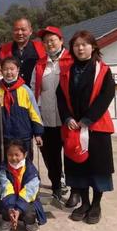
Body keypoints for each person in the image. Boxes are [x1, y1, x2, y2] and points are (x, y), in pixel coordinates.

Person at [56, 30, 115, 224]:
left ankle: (96, 205)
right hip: (73, 128)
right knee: (77, 167)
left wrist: (88, 120)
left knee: (97, 168)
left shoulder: (103, 70)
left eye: (84, 44)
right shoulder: (67, 71)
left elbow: (106, 96)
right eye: (76, 45)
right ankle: (85, 203)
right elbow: (61, 97)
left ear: (93, 46)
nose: (80, 48)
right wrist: (66, 118)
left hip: (96, 127)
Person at [31, 26, 73, 200]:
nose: (49, 44)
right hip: (46, 118)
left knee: (71, 154)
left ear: (61, 41)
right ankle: (56, 185)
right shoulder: (40, 64)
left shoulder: (72, 60)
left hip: (68, 119)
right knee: (50, 155)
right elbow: (34, 88)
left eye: (52, 40)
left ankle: (75, 190)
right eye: (46, 41)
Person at [0, 57, 43, 160]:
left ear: (17, 70)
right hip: (5, 137)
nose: (9, 72)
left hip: (23, 136)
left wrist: (38, 133)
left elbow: (34, 113)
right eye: (5, 69)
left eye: (12, 69)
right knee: (8, 165)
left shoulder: (25, 90)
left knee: (25, 164)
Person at [0, 140, 46, 231]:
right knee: (5, 204)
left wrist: (18, 210)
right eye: (10, 155)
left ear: (25, 154)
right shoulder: (3, 170)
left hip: (26, 199)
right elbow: (7, 189)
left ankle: (30, 223)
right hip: (11, 198)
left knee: (29, 211)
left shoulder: (31, 171)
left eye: (17, 154)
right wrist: (11, 209)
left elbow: (28, 192)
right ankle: (7, 220)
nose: (13, 158)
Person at [0, 17, 46, 84]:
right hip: (11, 92)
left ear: (30, 31)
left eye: (23, 30)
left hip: (35, 91)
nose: (19, 33)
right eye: (16, 30)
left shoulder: (42, 48)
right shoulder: (2, 51)